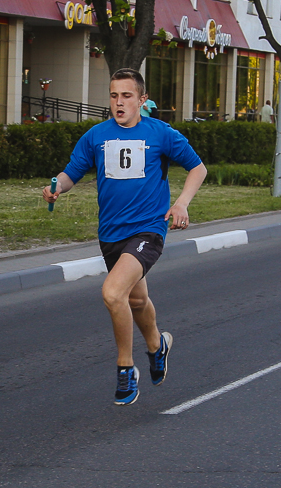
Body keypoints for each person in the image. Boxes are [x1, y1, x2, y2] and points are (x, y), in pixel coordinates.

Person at [43, 68, 207, 406]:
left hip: (148, 229)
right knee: (135, 300)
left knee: (113, 293)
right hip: (111, 234)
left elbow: (197, 167)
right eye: (114, 95)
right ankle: (157, 345)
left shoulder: (160, 133)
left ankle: (125, 369)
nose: (119, 102)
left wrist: (181, 203)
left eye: (127, 96)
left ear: (142, 100)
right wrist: (56, 187)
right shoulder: (96, 136)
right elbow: (72, 172)